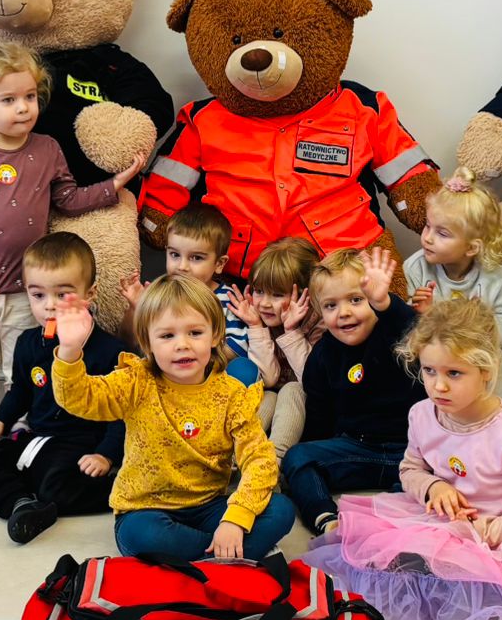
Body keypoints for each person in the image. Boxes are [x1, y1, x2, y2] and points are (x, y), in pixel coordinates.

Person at [304, 297, 502, 620]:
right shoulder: (421, 414)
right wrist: (433, 487)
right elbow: (410, 469)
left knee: (495, 573)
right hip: (442, 522)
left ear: (486, 370)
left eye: (454, 373)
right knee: (370, 553)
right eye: (429, 371)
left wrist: (488, 532)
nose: (438, 386)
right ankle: (440, 571)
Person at [0, 41, 146, 425]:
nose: (23, 108)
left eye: (30, 97)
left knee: (17, 364)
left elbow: (68, 199)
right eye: (9, 100)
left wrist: (115, 184)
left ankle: (15, 427)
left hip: (25, 289)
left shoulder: (47, 149)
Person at [51, 275, 296, 560]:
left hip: (210, 507)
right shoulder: (136, 381)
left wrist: (235, 520)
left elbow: (259, 459)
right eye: (167, 336)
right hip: (145, 510)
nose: (182, 345)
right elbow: (80, 399)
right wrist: (70, 351)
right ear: (147, 342)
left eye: (195, 333)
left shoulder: (231, 394)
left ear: (215, 335)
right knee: (142, 535)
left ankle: (204, 557)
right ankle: (224, 557)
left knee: (281, 509)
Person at [0, 233, 125, 544]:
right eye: (38, 295)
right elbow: (21, 392)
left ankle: (121, 488)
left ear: (89, 294)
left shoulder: (109, 351)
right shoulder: (28, 343)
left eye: (63, 295)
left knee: (55, 485)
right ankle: (21, 504)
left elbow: (121, 415)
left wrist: (105, 456)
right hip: (36, 439)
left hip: (80, 446)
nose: (49, 306)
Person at [282, 246, 426, 536]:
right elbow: (319, 415)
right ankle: (326, 519)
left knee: (446, 470)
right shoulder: (323, 355)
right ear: (319, 312)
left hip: (413, 452)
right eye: (330, 306)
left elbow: (416, 329)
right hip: (357, 450)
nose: (344, 313)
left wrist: (384, 303)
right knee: (297, 458)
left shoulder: (394, 330)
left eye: (356, 300)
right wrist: (314, 455)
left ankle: (396, 512)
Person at [403, 168, 502, 411]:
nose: (427, 238)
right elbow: (405, 334)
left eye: (442, 233)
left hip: (487, 382)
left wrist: (481, 325)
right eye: (427, 226)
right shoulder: (415, 269)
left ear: (472, 247)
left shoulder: (496, 279)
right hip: (437, 379)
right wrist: (421, 314)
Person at [118, 201, 258, 386]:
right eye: (175, 255)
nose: (182, 266)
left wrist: (195, 359)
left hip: (209, 382)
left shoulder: (228, 299)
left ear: (219, 264)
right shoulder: (159, 294)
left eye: (196, 258)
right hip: (166, 377)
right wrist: (136, 308)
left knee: (244, 370)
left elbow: (238, 347)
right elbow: (129, 342)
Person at [235, 235, 321, 458]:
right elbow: (269, 379)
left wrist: (292, 332)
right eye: (258, 291)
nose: (264, 303)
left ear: (305, 294)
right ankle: (235, 458)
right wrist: (256, 327)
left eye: (277, 294)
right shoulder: (259, 318)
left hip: (309, 409)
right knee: (267, 396)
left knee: (291, 389)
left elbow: (311, 382)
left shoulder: (319, 322)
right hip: (274, 399)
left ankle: (274, 462)